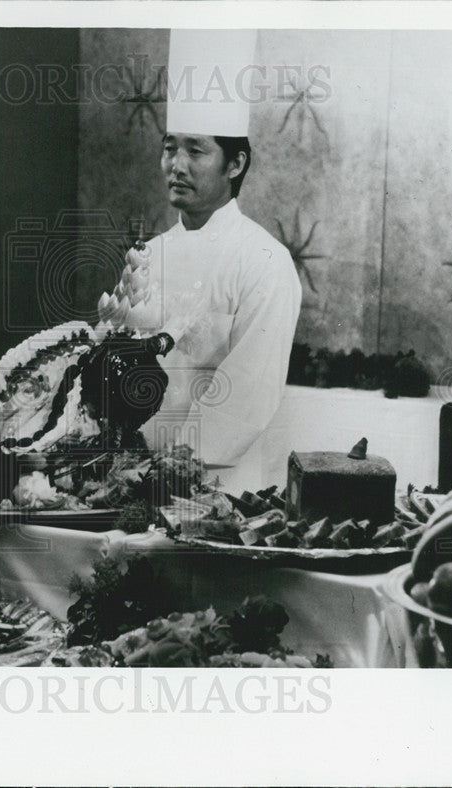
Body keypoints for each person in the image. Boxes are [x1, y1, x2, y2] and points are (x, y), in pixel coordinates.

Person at [138, 30, 302, 492]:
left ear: (235, 164)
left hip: (219, 485)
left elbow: (249, 391)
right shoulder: (151, 256)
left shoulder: (264, 261)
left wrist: (173, 470)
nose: (177, 165)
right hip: (134, 477)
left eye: (196, 149)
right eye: (170, 147)